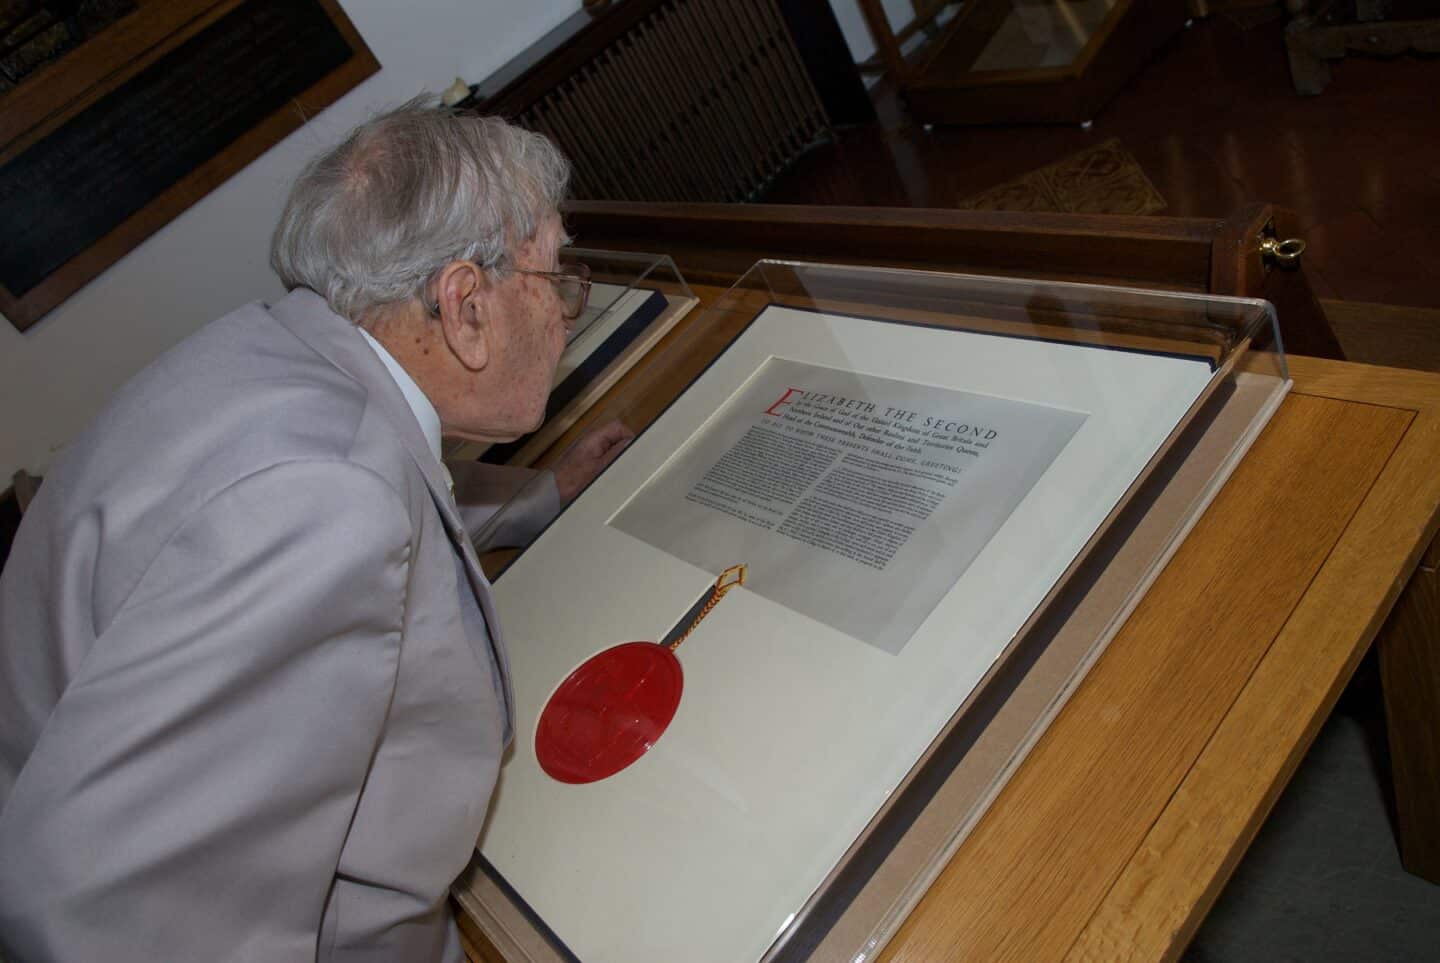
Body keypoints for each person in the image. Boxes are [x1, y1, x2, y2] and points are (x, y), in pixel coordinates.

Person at [0, 99, 632, 961]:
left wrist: (539, 494)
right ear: (464, 306)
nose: (566, 310)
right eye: (553, 276)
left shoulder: (277, 352)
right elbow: (115, 921)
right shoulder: (324, 504)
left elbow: (389, 465)